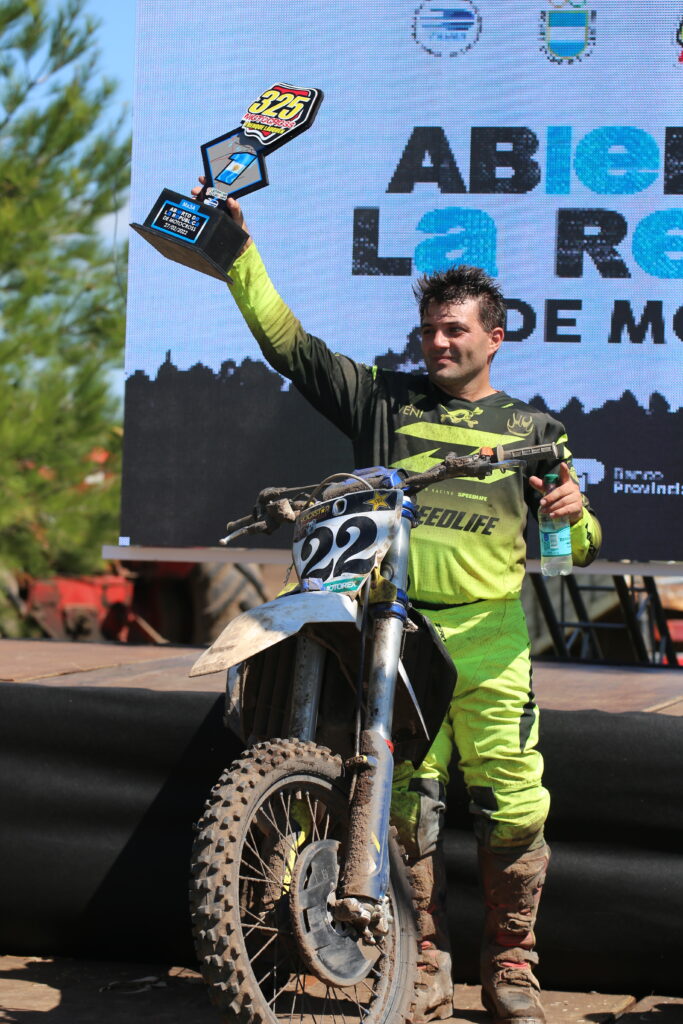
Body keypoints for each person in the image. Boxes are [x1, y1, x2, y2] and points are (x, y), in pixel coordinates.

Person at [198, 188, 602, 1024]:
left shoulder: (534, 430)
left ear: (494, 336)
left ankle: (513, 966)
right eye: (428, 331)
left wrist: (572, 515)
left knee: (516, 809)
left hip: (490, 640)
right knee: (404, 810)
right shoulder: (382, 400)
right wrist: (240, 260)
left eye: (454, 330)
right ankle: (422, 964)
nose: (438, 343)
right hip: (397, 636)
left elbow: (573, 551)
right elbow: (290, 346)